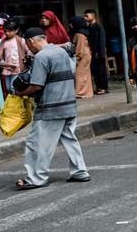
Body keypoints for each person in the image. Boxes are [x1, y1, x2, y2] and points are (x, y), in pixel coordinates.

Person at [13, 28, 90, 190]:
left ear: (31, 41)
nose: (29, 48)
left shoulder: (41, 57)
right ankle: (80, 171)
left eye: (28, 44)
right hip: (69, 103)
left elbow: (36, 86)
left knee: (36, 143)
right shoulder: (61, 52)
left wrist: (20, 94)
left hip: (50, 107)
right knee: (69, 138)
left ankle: (36, 178)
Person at [0, 20, 27, 91]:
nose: (7, 33)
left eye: (9, 31)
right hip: (8, 67)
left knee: (14, 87)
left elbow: (28, 51)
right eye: (5, 31)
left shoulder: (21, 40)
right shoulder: (4, 41)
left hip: (18, 68)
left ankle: (16, 101)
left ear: (16, 30)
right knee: (8, 87)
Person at [83, 10, 108, 94]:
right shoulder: (89, 26)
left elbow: (102, 40)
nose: (85, 18)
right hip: (92, 51)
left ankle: (103, 87)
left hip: (98, 51)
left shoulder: (98, 26)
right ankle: (98, 87)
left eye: (87, 16)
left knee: (101, 70)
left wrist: (100, 52)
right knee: (94, 70)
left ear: (93, 16)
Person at [68, 16, 93, 99]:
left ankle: (80, 92)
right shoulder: (83, 32)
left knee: (80, 74)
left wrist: (77, 58)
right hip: (86, 54)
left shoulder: (79, 34)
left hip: (83, 55)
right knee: (85, 74)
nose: (70, 25)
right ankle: (86, 92)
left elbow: (79, 47)